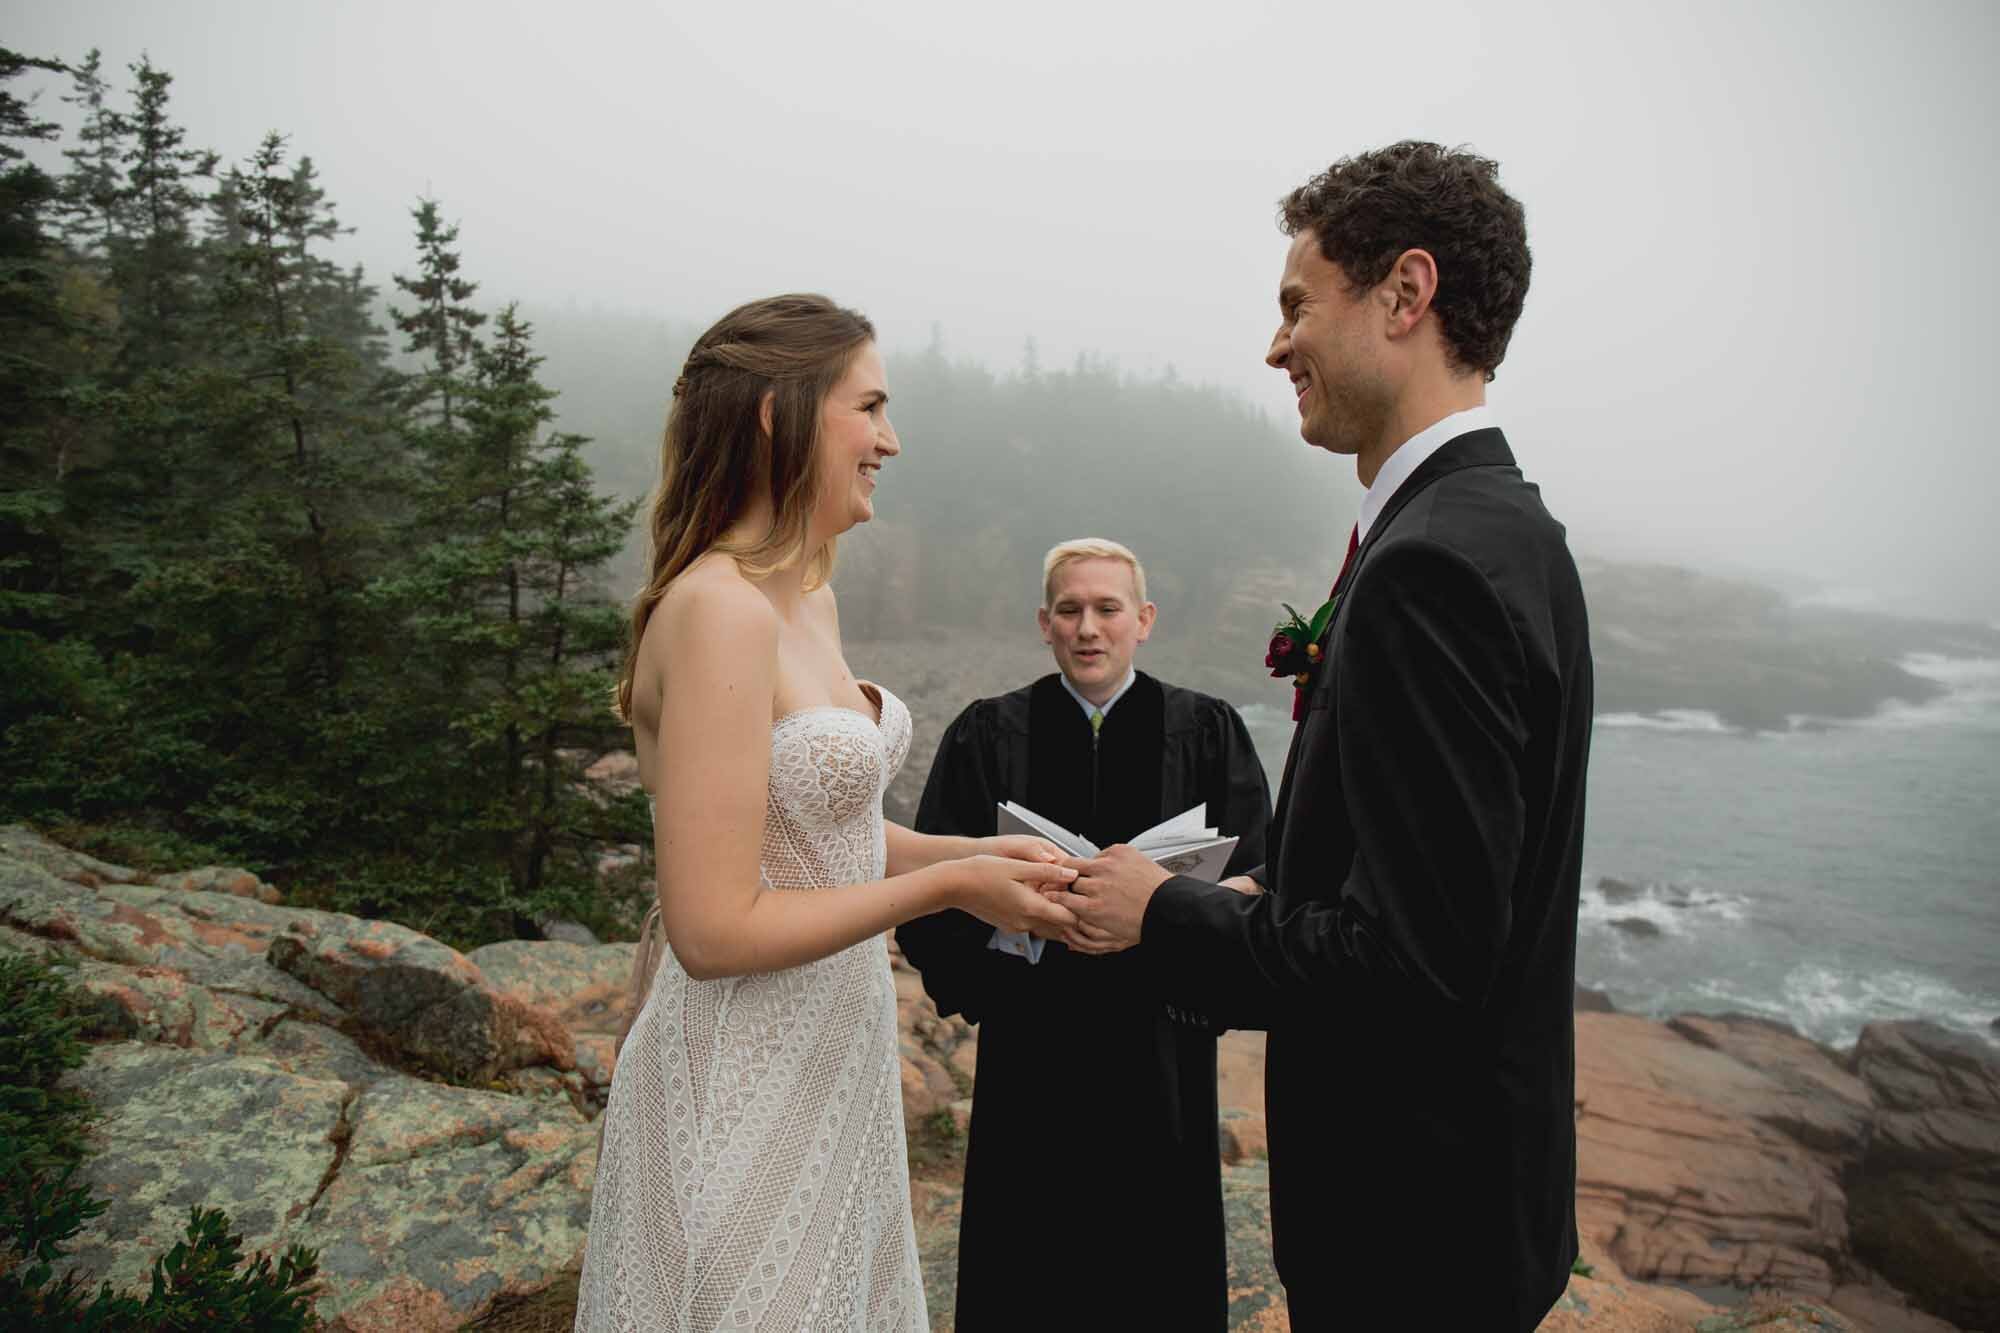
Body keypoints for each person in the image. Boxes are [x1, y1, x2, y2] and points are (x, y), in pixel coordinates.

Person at [1051, 142, 1594, 1331]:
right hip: (1471, 1202)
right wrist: (1274, 889)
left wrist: (1164, 911)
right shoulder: (1508, 528)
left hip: (1406, 1230)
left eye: (1297, 304)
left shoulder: (1430, 565)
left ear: (1405, 295)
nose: (1275, 343)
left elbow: (1412, 966)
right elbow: (1448, 886)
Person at [573, 293, 1079, 1333]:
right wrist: (946, 887)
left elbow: (817, 835)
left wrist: (978, 851)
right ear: (777, 413)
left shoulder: (805, 594)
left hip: (829, 1068)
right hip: (739, 1082)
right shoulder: (715, 609)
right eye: (870, 407)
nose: (890, 440)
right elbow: (711, 930)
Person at [894, 538, 1271, 1332]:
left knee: (1157, 1271)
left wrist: (1168, 919)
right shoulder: (987, 733)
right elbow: (928, 891)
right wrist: (1015, 932)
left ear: (1145, 619)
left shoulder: (1207, 730)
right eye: (1070, 609)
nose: (1088, 627)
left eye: (1107, 608)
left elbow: (1264, 876)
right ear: (1044, 622)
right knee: (1031, 1269)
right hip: (1034, 1046)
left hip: (1162, 1044)